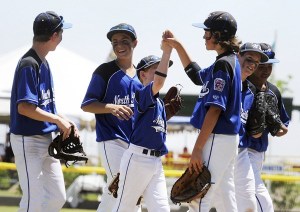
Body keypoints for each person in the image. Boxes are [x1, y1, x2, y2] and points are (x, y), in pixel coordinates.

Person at [164, 11, 242, 211]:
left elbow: (215, 110)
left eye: (207, 33)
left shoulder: (224, 65)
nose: (204, 37)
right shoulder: (228, 61)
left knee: (199, 196)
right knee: (225, 197)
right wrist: (178, 46)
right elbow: (198, 76)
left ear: (218, 35)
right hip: (226, 138)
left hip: (218, 136)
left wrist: (197, 148)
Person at [9, 11, 77, 212]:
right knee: (33, 200)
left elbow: (47, 107)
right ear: (54, 35)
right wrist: (57, 120)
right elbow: (24, 108)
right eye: (61, 32)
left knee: (57, 197)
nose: (62, 36)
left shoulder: (44, 63)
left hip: (46, 138)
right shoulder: (29, 64)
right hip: (27, 139)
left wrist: (66, 122)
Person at [81, 23, 142, 212]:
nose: (119, 45)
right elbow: (87, 104)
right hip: (111, 139)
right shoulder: (105, 71)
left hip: (134, 143)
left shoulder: (141, 75)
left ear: (135, 43)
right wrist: (111, 107)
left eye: (124, 41)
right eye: (115, 42)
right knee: (123, 185)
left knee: (117, 190)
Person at [113, 32, 173, 212]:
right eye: (156, 68)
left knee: (162, 209)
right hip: (137, 159)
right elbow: (160, 82)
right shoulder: (141, 94)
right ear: (143, 74)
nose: (162, 70)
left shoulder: (160, 103)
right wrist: (167, 51)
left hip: (156, 162)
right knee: (124, 208)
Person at [247, 43, 290, 212]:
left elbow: (282, 128)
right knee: (263, 205)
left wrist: (273, 123)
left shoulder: (273, 91)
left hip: (258, 154)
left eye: (269, 66)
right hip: (242, 151)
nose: (265, 70)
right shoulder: (242, 87)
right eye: (261, 66)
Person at [235, 42, 269, 212]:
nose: (253, 65)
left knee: (244, 203)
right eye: (248, 59)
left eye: (256, 63)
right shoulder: (229, 82)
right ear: (237, 56)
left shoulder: (251, 91)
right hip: (227, 148)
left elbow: (280, 129)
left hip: (243, 153)